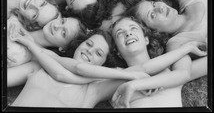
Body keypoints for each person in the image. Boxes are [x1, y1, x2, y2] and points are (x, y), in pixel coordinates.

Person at [9, 17, 206, 108]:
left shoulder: (98, 85)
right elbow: (69, 69)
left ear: (104, 63)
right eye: (88, 44)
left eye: (99, 53)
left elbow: (146, 69)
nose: (89, 50)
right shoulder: (45, 62)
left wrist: (184, 48)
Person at [7, 13, 86, 69]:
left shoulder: (40, 56)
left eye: (63, 33)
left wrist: (29, 43)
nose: (56, 26)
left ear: (62, 48)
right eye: (62, 21)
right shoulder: (29, 15)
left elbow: (72, 67)